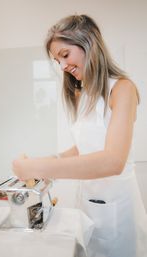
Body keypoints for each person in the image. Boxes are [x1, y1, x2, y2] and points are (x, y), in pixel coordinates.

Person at [12, 14, 147, 257]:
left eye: (65, 55)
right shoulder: (82, 93)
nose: (62, 66)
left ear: (88, 43)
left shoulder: (122, 89)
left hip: (118, 214)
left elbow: (113, 161)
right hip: (88, 205)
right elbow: (84, 147)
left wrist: (38, 168)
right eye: (58, 61)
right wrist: (50, 158)